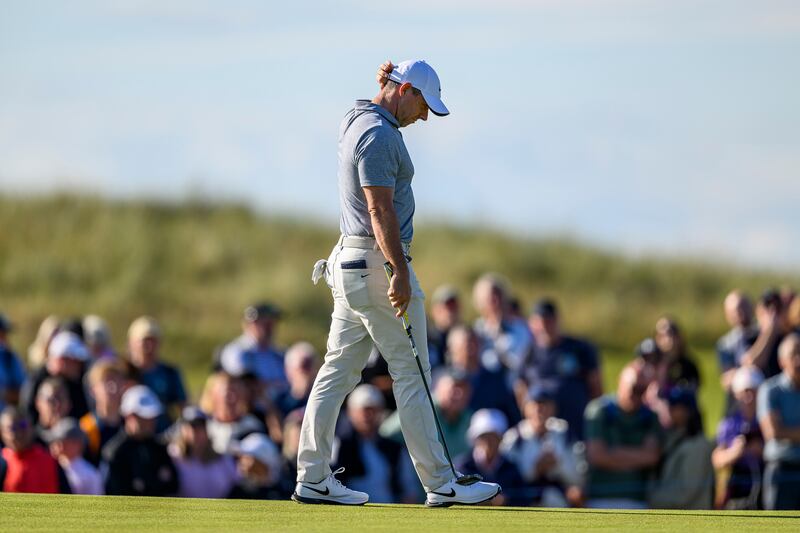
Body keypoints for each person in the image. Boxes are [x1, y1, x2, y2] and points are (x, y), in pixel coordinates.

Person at [295, 58, 500, 507]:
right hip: (376, 263)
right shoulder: (379, 134)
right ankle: (442, 483)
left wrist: (384, 82)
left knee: (339, 369)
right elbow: (380, 209)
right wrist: (400, 273)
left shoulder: (359, 117)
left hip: (350, 262)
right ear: (406, 89)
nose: (425, 117)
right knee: (413, 373)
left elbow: (373, 104)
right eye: (424, 104)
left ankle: (312, 476)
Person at [518, 299, 602, 442]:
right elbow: (521, 386)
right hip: (542, 433)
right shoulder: (529, 352)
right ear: (532, 324)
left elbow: (596, 387)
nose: (544, 326)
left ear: (557, 320)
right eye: (540, 321)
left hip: (576, 427)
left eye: (549, 321)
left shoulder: (579, 348)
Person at [584, 361, 662, 509]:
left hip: (637, 500)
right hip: (600, 499)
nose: (636, 394)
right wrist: (636, 457)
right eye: (633, 388)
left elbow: (652, 457)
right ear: (620, 382)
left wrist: (613, 453)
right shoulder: (600, 410)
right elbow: (597, 456)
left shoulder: (650, 417)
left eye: (642, 390)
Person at [333, 384, 416, 504]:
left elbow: (408, 489)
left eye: (373, 410)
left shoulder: (395, 449)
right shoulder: (340, 446)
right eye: (363, 411)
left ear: (381, 411)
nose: (367, 416)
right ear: (351, 412)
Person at [501, 387, 582, 507]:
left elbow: (578, 474)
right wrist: (535, 469)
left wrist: (557, 464)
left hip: (559, 495)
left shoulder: (564, 433)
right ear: (525, 408)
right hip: (523, 497)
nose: (539, 410)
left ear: (553, 408)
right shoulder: (515, 437)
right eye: (534, 405)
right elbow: (506, 476)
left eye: (545, 404)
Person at [380, 369, 474, 461]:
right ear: (438, 388)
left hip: (451, 474)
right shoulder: (422, 407)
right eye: (455, 387)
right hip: (411, 472)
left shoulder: (469, 418)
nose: (459, 394)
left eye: (464, 389)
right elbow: (386, 432)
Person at [102, 385, 178, 496]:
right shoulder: (114, 452)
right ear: (128, 416)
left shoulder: (159, 448)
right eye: (143, 416)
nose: (150, 421)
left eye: (152, 416)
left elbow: (173, 485)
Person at [647, 387, 713, 509]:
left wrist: (648, 500)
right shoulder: (671, 440)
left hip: (691, 522)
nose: (668, 410)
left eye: (674, 407)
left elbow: (684, 493)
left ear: (687, 412)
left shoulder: (698, 446)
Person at [712, 365, 765, 510]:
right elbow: (717, 459)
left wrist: (763, 452)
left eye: (753, 392)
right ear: (736, 395)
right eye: (745, 392)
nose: (749, 398)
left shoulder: (767, 419)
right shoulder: (729, 424)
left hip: (765, 482)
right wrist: (735, 452)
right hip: (737, 485)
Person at [757, 333, 800, 510]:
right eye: (794, 355)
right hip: (782, 470)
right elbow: (773, 432)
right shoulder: (770, 390)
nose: (799, 361)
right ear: (782, 361)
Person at [446, 325, 520, 425]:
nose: (472, 349)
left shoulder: (495, 381)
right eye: (467, 344)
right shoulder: (444, 382)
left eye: (475, 343)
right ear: (452, 349)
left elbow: (511, 415)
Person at [126, 316, 187, 429]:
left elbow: (183, 406)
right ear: (132, 343)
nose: (149, 347)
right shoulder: (124, 372)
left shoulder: (170, 373)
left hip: (163, 434)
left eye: (153, 341)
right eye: (144, 341)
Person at [456, 409, 526, 506]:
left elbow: (522, 498)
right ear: (475, 438)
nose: (488, 441)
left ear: (500, 439)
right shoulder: (462, 467)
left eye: (493, 436)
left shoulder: (511, 469)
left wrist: (506, 500)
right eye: (484, 436)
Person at [168, 406, 238, 499]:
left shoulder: (221, 458)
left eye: (199, 426)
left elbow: (235, 483)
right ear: (182, 428)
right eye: (191, 426)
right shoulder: (173, 456)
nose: (195, 431)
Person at [220, 303, 288, 396]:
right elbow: (246, 384)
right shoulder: (238, 351)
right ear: (248, 325)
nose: (268, 328)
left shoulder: (280, 354)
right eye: (263, 323)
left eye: (271, 322)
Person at [22, 331, 90, 424]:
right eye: (75, 361)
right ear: (61, 360)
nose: (79, 366)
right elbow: (28, 413)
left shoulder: (77, 383)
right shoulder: (37, 382)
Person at [472, 273, 533, 375]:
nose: (496, 301)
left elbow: (523, 363)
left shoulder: (521, 329)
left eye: (499, 295)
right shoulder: (476, 330)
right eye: (490, 298)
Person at [200, 371, 266, 455]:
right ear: (213, 395)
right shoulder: (204, 428)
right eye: (228, 393)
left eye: (237, 392)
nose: (233, 398)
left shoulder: (253, 425)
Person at [0, 407, 61, 493]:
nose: (19, 433)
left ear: (32, 428)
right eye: (12, 428)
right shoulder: (3, 462)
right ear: (2, 433)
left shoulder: (49, 460)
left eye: (23, 426)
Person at [80, 360, 127, 465]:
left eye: (116, 380)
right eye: (106, 381)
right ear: (93, 390)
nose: (113, 387)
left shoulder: (130, 424)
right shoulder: (86, 427)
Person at [43, 417, 103, 495]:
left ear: (77, 444)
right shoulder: (49, 467)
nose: (55, 447)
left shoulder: (90, 475)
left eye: (61, 442)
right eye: (54, 442)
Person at [717, 291, 759, 393]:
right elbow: (727, 381)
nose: (741, 313)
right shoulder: (725, 344)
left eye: (744, 307)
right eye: (735, 310)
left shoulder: (763, 335)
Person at [743, 289, 789, 379]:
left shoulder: (790, 337)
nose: (773, 313)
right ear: (758, 310)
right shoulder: (749, 336)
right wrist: (770, 331)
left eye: (777, 308)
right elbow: (752, 364)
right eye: (767, 307)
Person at [228, 432, 287, 500]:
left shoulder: (282, 491)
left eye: (248, 458)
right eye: (242, 457)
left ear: (264, 463)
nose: (242, 461)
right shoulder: (235, 489)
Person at [273, 341, 320, 418]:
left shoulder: (327, 396)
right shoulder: (278, 400)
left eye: (310, 366)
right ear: (288, 370)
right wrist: (298, 395)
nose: (307, 373)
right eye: (303, 367)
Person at [427, 285, 462, 369]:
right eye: (447, 307)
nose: (450, 312)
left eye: (453, 306)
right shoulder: (428, 340)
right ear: (434, 310)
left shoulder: (468, 339)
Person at [0, 314, 26, 412]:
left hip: (6, 422)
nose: (4, 338)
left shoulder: (9, 357)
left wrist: (4, 394)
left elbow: (25, 393)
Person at [34, 377, 72, 443]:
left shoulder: (78, 439)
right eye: (52, 400)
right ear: (38, 403)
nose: (57, 405)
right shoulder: (31, 440)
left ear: (69, 405)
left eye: (61, 399)